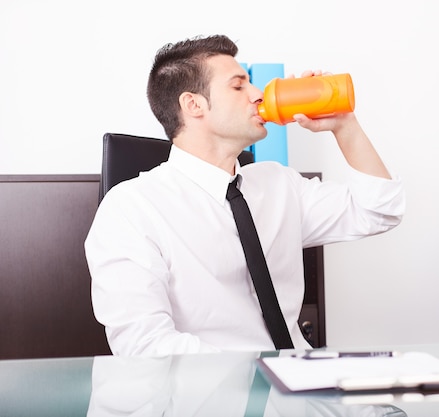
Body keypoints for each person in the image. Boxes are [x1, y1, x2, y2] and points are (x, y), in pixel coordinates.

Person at [85, 34, 405, 357]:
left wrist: (344, 126)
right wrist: (259, 378)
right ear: (193, 105)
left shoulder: (279, 184)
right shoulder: (131, 210)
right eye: (239, 86)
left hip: (303, 386)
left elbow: (380, 210)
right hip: (213, 400)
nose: (257, 94)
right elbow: (145, 347)